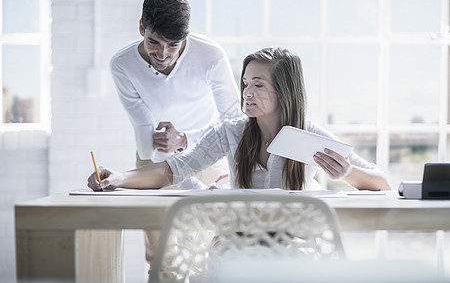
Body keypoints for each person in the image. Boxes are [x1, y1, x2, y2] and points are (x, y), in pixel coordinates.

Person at [88, 47, 390, 195]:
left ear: (284, 91)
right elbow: (173, 171)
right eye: (245, 83)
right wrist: (119, 178)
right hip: (236, 246)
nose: (246, 93)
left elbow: (382, 183)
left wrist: (346, 172)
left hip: (294, 250)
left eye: (258, 84)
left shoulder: (310, 135)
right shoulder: (230, 133)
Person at [109, 0, 242, 272]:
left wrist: (183, 139)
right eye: (154, 42)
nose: (163, 54)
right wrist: (162, 150)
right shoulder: (122, 64)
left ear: (187, 35)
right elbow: (144, 132)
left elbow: (234, 121)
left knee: (206, 252)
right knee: (160, 256)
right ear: (142, 27)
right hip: (153, 152)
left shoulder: (210, 55)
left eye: (173, 44)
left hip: (207, 151)